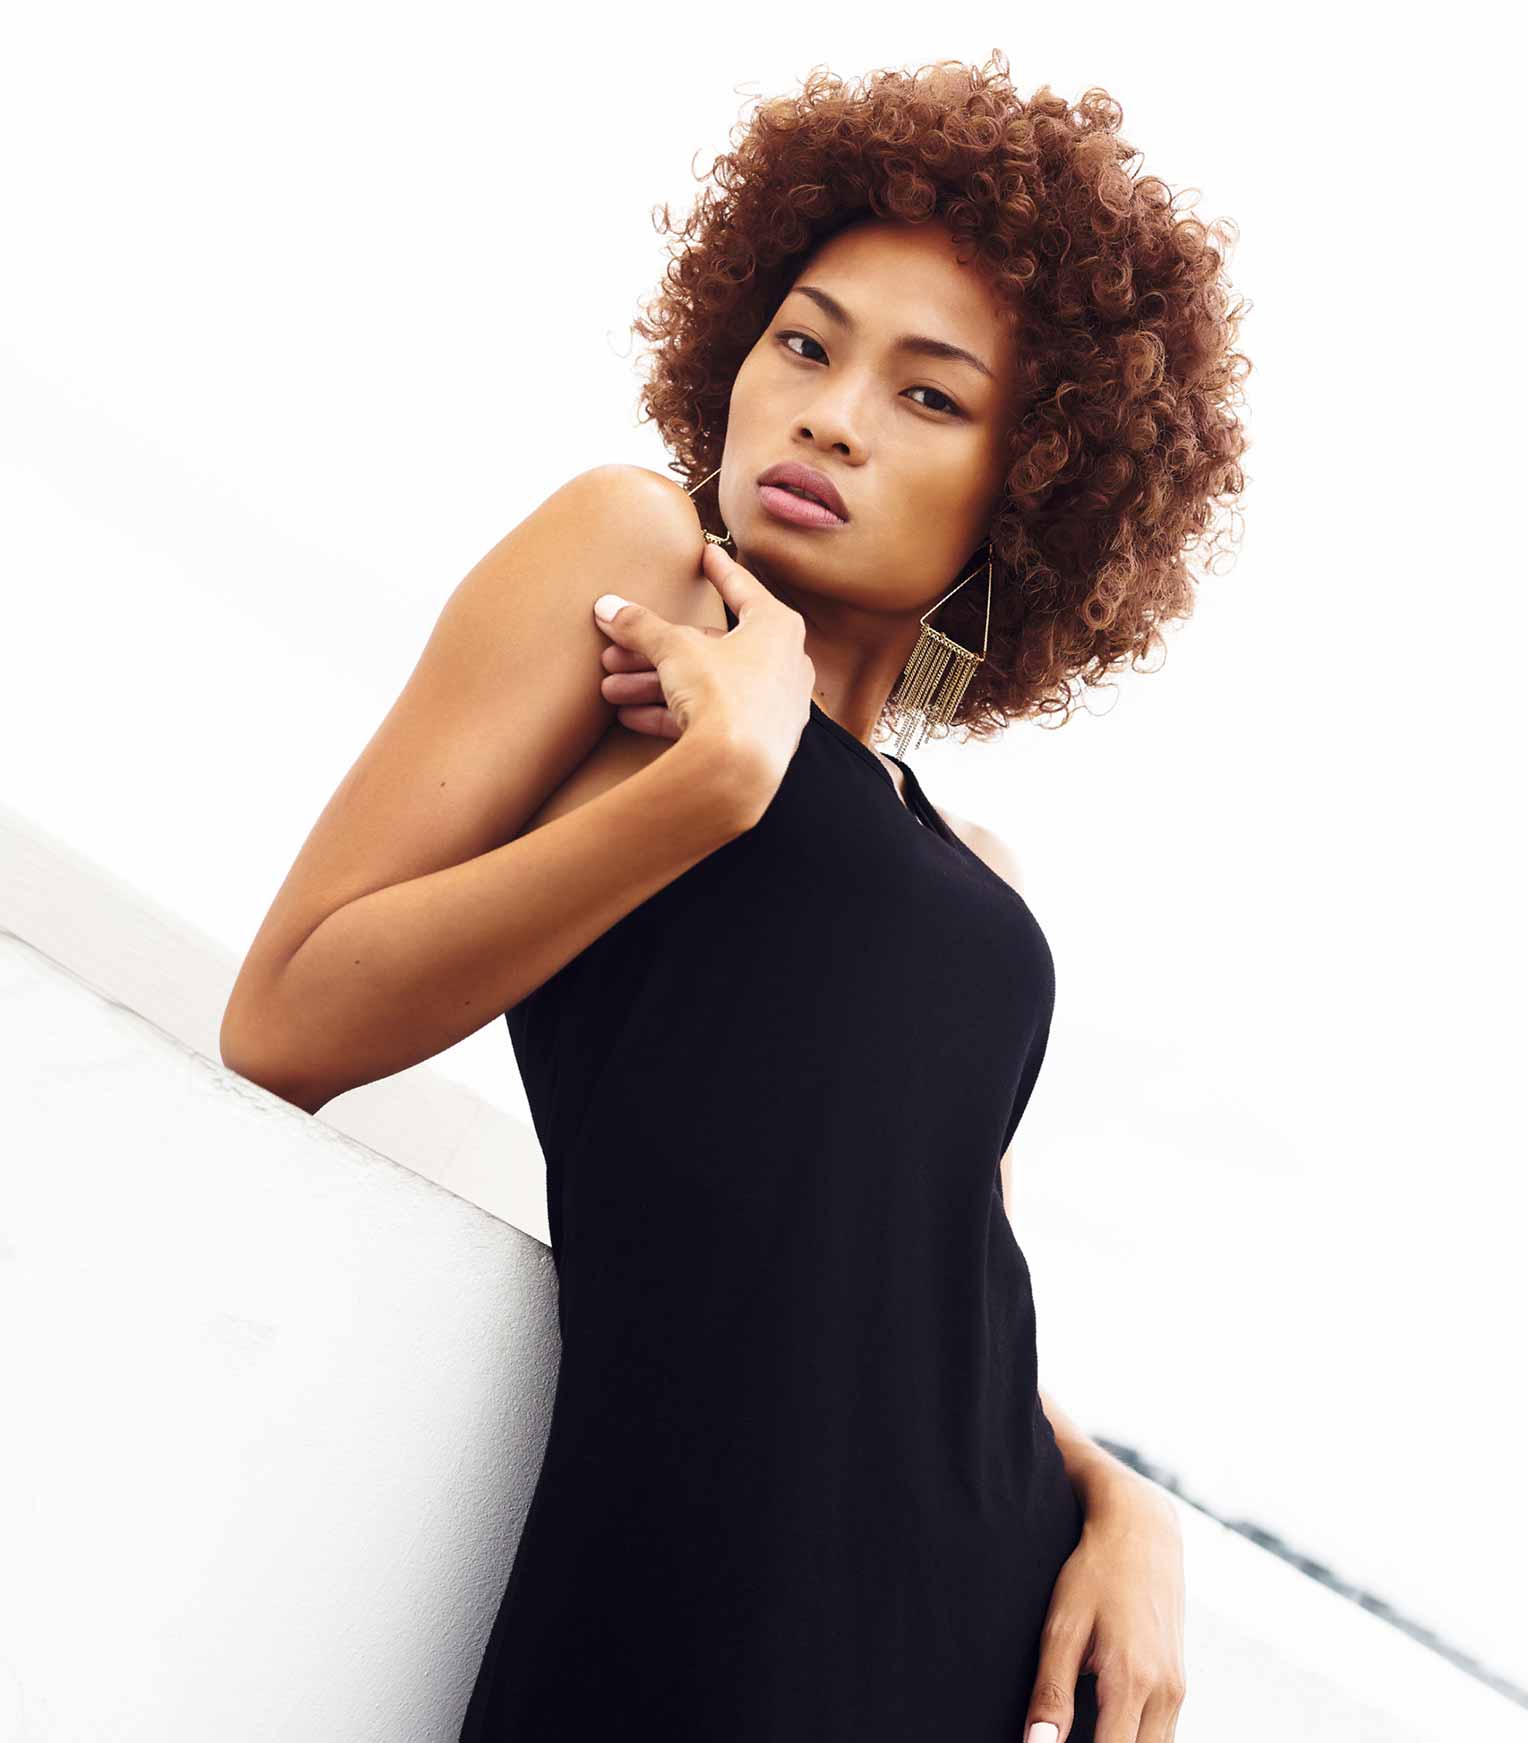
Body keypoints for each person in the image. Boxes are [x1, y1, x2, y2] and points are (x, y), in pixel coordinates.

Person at [222, 50, 1245, 1742]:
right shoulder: (630, 572)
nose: (833, 413)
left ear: (1036, 481)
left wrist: (1121, 1500)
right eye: (805, 342)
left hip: (971, 1651)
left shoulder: (970, 869)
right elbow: (288, 1019)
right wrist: (707, 789)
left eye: (931, 396)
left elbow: (906, 1268)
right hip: (701, 1621)